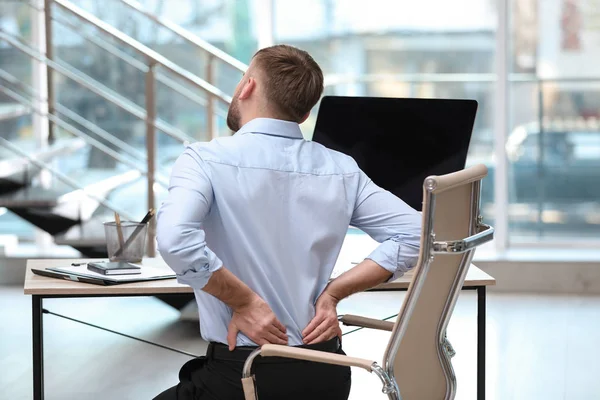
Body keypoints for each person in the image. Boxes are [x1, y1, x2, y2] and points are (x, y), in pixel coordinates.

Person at [154, 44, 421, 400]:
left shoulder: (205, 159)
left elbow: (175, 240)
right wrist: (334, 293)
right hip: (327, 374)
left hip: (243, 379)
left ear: (246, 86)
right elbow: (420, 233)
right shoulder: (341, 169)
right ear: (306, 111)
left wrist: (245, 302)